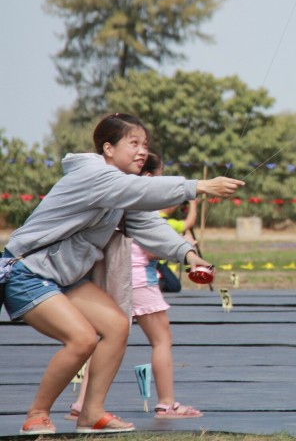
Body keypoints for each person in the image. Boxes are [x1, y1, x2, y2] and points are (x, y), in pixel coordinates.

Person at [1, 113, 243, 435]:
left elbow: (150, 224)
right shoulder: (94, 175)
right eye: (134, 143)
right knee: (82, 339)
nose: (143, 151)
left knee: (117, 325)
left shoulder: (119, 192)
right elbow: (141, 191)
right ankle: (37, 413)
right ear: (108, 149)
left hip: (65, 278)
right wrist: (197, 186)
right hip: (27, 272)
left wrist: (190, 256)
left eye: (145, 144)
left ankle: (91, 414)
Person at [66, 151, 204, 421]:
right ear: (149, 178)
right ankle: (167, 403)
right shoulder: (142, 207)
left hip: (115, 277)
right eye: (160, 177)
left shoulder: (118, 200)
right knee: (161, 340)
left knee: (105, 340)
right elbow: (151, 251)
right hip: (139, 281)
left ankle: (82, 403)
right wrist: (186, 248)